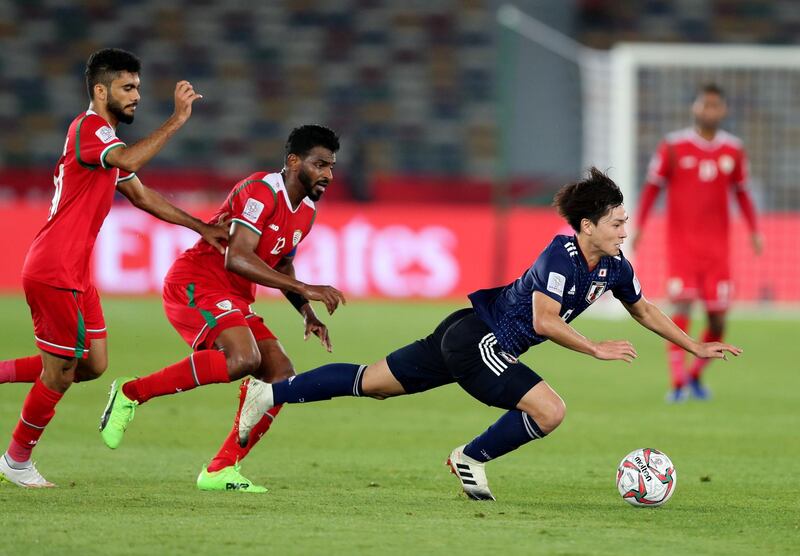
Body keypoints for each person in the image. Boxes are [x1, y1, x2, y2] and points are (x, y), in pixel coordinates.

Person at [236, 167, 742, 501]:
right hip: (481, 341)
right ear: (587, 225)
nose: (624, 230)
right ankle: (470, 457)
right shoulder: (560, 257)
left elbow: (644, 309)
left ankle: (269, 392)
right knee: (550, 410)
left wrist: (693, 344)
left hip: (465, 330)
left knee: (371, 382)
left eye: (626, 221)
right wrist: (594, 348)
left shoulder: (614, 267)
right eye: (616, 223)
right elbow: (545, 321)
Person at [0, 48, 228, 488]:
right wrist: (176, 121)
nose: (136, 96)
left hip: (76, 271)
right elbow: (129, 160)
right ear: (100, 90)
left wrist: (202, 227)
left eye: (138, 87)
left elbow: (143, 195)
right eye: (128, 87)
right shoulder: (89, 129)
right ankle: (16, 459)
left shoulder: (104, 143)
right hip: (53, 267)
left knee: (93, 363)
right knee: (60, 372)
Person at [98, 125, 346, 493]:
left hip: (234, 297)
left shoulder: (306, 211)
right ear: (294, 162)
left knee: (280, 375)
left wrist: (305, 312)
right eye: (320, 164)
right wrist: (305, 288)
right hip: (197, 282)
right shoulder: (261, 191)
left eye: (331, 166)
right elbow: (237, 257)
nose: (328, 174)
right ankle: (130, 393)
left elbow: (280, 265)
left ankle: (220, 468)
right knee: (242, 359)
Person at [632, 83, 761, 403]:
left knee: (718, 318)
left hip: (718, 252)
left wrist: (754, 229)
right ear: (695, 108)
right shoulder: (673, 147)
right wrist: (640, 224)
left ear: (724, 111)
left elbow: (743, 193)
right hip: (683, 249)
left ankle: (694, 376)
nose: (710, 111)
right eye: (705, 105)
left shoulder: (734, 149)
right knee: (682, 309)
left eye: (716, 106)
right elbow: (651, 188)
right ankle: (677, 382)